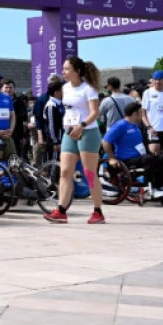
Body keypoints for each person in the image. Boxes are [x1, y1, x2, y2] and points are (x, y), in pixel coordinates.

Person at [44, 56, 106, 225]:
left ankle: (98, 211)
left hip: (88, 132)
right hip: (69, 132)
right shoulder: (65, 88)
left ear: (77, 71)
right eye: (63, 68)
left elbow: (95, 112)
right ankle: (61, 210)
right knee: (65, 171)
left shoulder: (88, 89)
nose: (63, 72)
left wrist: (82, 125)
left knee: (89, 172)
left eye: (67, 69)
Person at [102, 101, 163, 200]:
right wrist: (111, 158)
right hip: (126, 159)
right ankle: (148, 188)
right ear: (135, 114)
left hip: (139, 157)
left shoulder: (135, 125)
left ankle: (161, 186)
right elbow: (105, 142)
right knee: (149, 159)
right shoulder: (120, 125)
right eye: (141, 113)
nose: (142, 115)